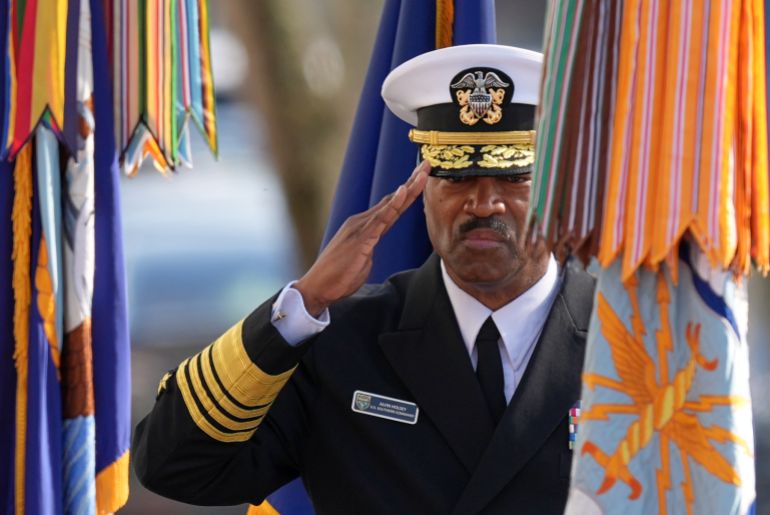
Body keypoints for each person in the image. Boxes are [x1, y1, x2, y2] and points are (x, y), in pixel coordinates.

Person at [133, 44, 595, 515]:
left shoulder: (628, 340)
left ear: (562, 190)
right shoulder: (343, 342)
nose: (482, 204)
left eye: (514, 178)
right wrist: (304, 300)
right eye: (456, 177)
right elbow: (175, 465)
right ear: (422, 191)